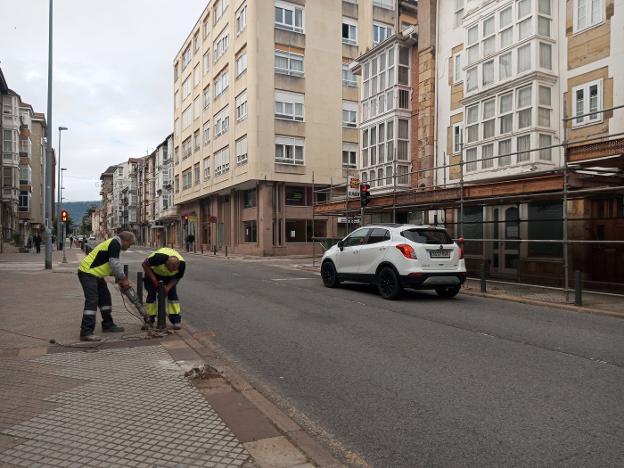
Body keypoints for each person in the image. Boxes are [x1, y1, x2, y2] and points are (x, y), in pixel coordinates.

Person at [77, 231, 135, 341]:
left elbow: (107, 263)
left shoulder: (114, 243)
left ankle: (108, 324)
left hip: (95, 274)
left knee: (105, 299)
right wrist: (123, 278)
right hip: (88, 273)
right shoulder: (115, 244)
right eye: (130, 244)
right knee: (92, 300)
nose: (129, 246)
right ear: (125, 240)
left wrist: (117, 277)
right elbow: (114, 263)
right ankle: (86, 332)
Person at [142, 247, 186, 330]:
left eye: (173, 270)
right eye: (169, 269)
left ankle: (175, 320)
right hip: (153, 273)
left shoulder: (182, 265)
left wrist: (168, 288)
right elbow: (144, 264)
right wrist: (154, 279)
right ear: (166, 264)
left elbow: (176, 278)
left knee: (173, 296)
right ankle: (149, 319)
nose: (170, 271)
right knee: (151, 295)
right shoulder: (158, 258)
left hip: (170, 278)